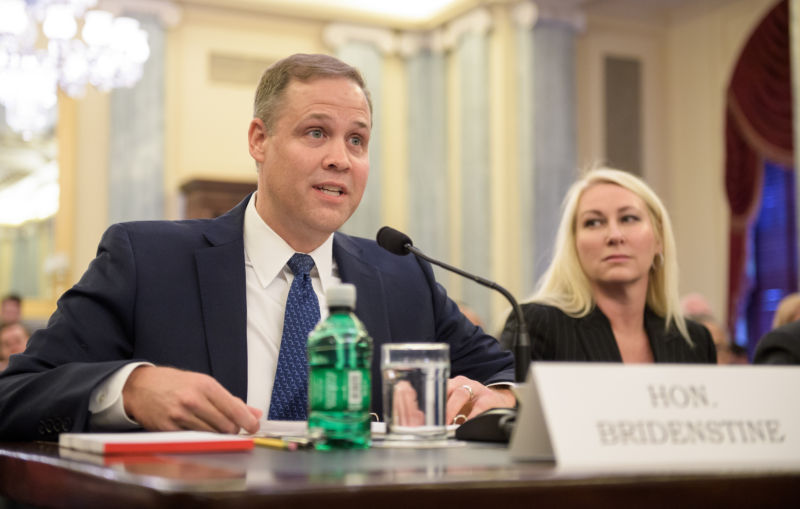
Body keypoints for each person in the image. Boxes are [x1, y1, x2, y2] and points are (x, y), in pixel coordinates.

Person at [0, 54, 514, 441]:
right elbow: (15, 395)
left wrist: (497, 395)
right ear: (259, 140)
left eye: (357, 140)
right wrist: (129, 389)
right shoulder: (147, 260)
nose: (341, 158)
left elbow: (512, 371)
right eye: (316, 132)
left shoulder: (401, 275)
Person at [500, 167, 716, 363]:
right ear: (573, 244)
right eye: (593, 222)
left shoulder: (695, 341)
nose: (614, 236)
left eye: (628, 218)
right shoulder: (535, 324)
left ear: (659, 239)